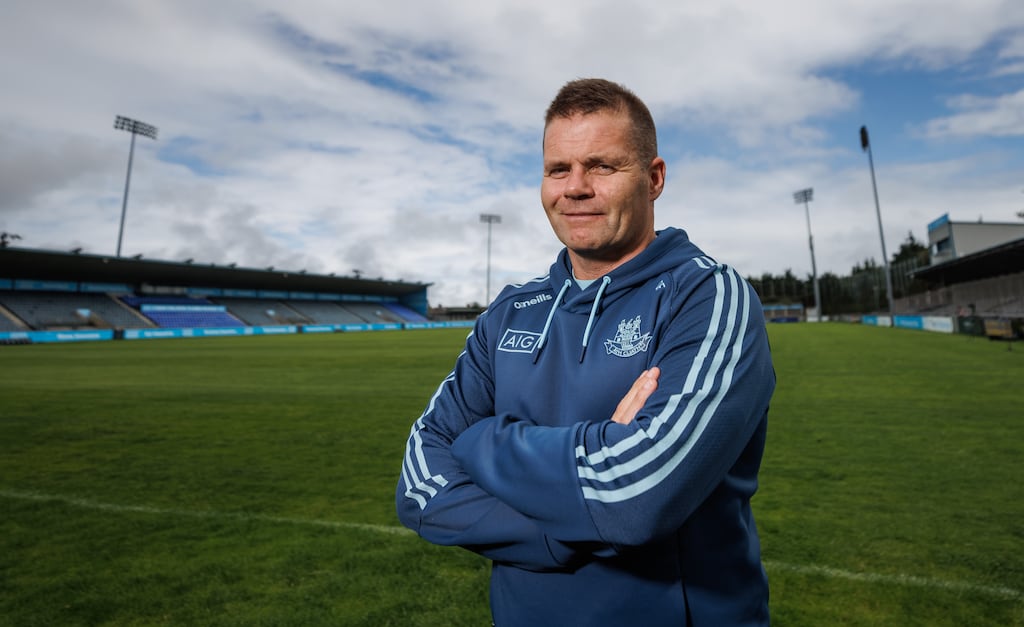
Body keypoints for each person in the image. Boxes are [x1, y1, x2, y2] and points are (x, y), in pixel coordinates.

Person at [397, 78, 775, 626]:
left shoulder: (709, 295)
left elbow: (638, 498)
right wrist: (566, 525)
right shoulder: (510, 310)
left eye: (601, 165)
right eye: (558, 169)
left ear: (654, 178)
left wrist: (481, 439)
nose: (574, 188)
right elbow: (418, 484)